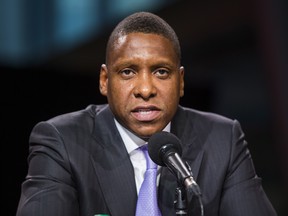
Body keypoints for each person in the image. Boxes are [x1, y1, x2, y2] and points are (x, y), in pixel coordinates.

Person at [16, 11, 277, 216]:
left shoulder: (223, 139)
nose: (145, 89)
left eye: (161, 72)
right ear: (105, 80)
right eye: (128, 72)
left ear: (181, 81)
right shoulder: (62, 141)